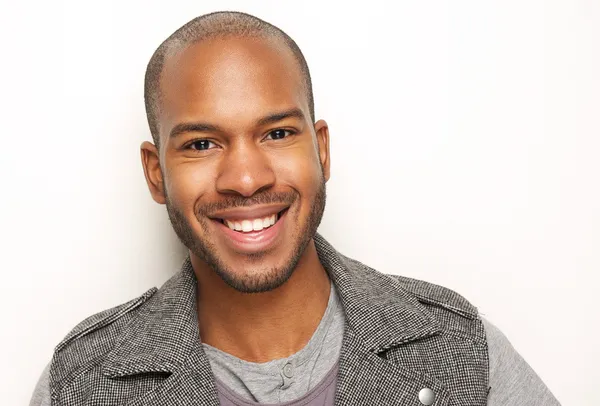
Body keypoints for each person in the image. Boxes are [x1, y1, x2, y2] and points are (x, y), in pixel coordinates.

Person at [30, 11, 560, 406]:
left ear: (321, 150)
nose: (245, 179)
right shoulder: (82, 382)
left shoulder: (458, 353)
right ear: (155, 173)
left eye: (278, 133)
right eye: (201, 144)